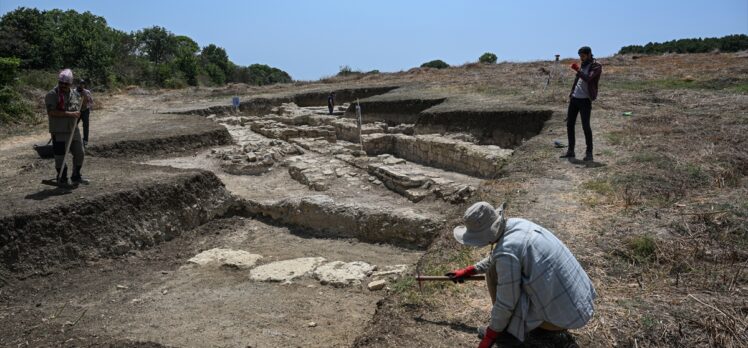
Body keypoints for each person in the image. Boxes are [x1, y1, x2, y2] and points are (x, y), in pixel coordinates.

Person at [446, 202, 596, 347]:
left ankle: (507, 332)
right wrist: (472, 270)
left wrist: (493, 333)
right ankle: (540, 325)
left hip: (564, 318)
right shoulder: (517, 224)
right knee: (496, 268)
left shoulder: (507, 252)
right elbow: (502, 255)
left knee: (493, 273)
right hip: (578, 305)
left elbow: (505, 303)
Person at [44, 69, 88, 185]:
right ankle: (62, 178)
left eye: (66, 83)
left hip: (73, 129)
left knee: (80, 153)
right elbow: (51, 112)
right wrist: (70, 114)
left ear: (71, 84)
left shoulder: (75, 94)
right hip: (58, 131)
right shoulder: (52, 94)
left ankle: (76, 176)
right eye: (61, 83)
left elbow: (82, 108)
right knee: (60, 157)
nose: (63, 85)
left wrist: (85, 98)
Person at [561, 46, 602, 161]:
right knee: (570, 124)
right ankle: (570, 151)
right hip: (575, 98)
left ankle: (589, 153)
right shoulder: (583, 64)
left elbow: (589, 79)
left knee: (585, 126)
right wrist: (571, 93)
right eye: (580, 56)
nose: (581, 58)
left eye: (583, 56)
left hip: (585, 100)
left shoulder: (596, 66)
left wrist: (577, 70)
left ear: (589, 54)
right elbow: (577, 80)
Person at [75, 78, 94, 146]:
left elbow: (91, 102)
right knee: (74, 125)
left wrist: (87, 99)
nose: (81, 85)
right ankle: (74, 139)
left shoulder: (87, 92)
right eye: (80, 84)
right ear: (77, 84)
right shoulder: (74, 92)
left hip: (85, 110)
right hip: (77, 111)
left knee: (86, 125)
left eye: (83, 84)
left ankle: (85, 140)